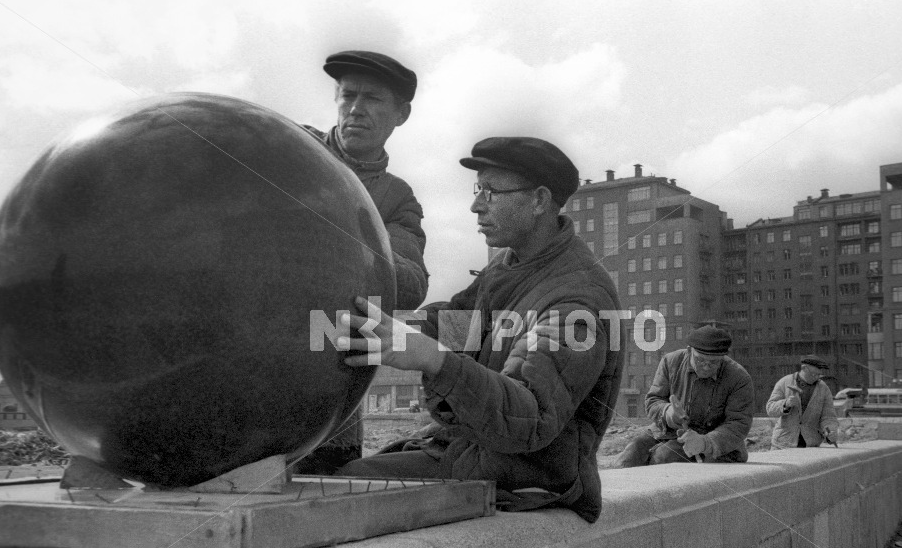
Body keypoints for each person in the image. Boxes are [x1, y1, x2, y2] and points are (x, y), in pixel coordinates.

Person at [333, 136, 624, 523]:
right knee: (340, 478)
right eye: (478, 189)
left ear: (538, 201)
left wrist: (432, 358)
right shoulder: (511, 266)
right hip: (481, 455)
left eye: (491, 191)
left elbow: (529, 417)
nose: (476, 205)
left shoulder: (576, 301)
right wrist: (369, 323)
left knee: (341, 490)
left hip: (529, 476)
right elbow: (458, 323)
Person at [297, 50, 429, 475]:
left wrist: (335, 237)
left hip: (327, 390)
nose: (355, 109)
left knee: (323, 507)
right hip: (235, 365)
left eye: (372, 98)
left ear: (401, 114)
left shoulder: (396, 198)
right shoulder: (292, 151)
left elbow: (409, 282)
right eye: (347, 95)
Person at [616, 325, 755, 466]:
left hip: (714, 440)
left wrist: (705, 442)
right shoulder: (670, 362)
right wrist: (668, 412)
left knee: (665, 456)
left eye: (713, 362)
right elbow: (653, 400)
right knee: (630, 455)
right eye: (700, 360)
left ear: (723, 357)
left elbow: (739, 423)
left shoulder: (739, 378)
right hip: (667, 431)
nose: (706, 367)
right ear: (689, 351)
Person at [766, 355, 839, 449]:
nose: (816, 377)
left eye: (819, 375)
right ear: (804, 368)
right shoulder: (785, 382)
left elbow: (828, 416)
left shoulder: (823, 388)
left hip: (811, 444)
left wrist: (831, 432)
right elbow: (770, 408)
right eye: (813, 374)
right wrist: (785, 404)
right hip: (783, 443)